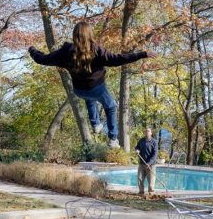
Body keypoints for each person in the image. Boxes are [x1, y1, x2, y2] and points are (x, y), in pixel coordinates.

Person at [28, 21, 157, 148]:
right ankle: (112, 139)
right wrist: (142, 54)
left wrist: (33, 50)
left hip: (79, 90)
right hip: (97, 89)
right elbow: (117, 59)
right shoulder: (96, 50)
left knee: (89, 99)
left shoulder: (65, 51)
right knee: (111, 106)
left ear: (74, 35)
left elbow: (43, 59)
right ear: (89, 35)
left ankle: (95, 124)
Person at [135, 128, 158, 196]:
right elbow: (137, 147)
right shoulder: (141, 140)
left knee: (151, 181)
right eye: (145, 131)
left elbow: (155, 154)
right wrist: (137, 150)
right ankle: (141, 192)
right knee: (140, 178)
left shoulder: (154, 142)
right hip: (142, 163)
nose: (146, 132)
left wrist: (149, 163)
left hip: (151, 164)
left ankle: (151, 192)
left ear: (151, 133)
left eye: (148, 131)